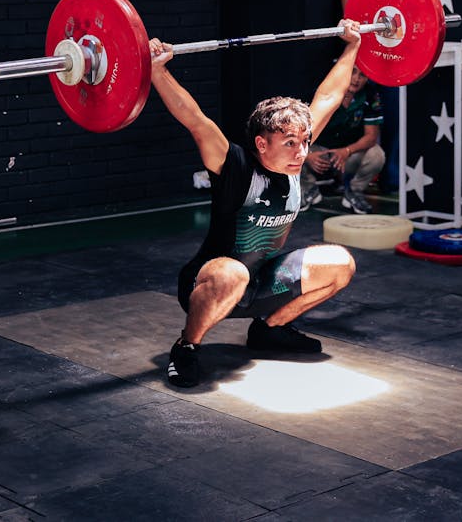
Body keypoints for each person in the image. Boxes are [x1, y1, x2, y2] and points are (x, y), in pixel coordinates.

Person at [149, 24, 361, 388]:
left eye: (305, 141)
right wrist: (157, 70)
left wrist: (352, 46)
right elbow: (194, 118)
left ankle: (270, 329)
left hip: (263, 281)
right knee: (234, 274)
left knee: (341, 264)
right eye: (291, 143)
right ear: (262, 144)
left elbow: (327, 96)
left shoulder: (294, 163)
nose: (302, 152)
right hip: (212, 280)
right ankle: (187, 346)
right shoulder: (235, 166)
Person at [300, 65, 385, 214]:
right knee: (290, 152)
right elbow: (298, 133)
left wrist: (347, 151)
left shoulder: (370, 95)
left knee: (377, 155)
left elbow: (371, 136)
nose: (356, 79)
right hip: (318, 152)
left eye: (362, 75)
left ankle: (354, 192)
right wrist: (307, 156)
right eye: (352, 72)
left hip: (347, 156)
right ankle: (308, 190)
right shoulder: (323, 90)